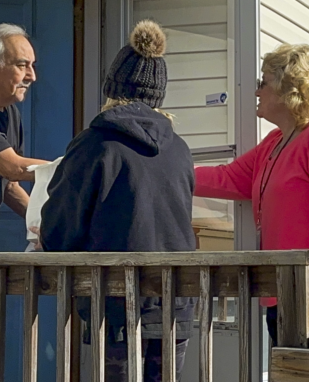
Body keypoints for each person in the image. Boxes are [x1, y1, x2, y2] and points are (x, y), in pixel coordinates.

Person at [37, 20, 195, 381]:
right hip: (176, 306)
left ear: (112, 88)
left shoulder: (96, 144)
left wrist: (49, 244)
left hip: (118, 305)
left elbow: (62, 225)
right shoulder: (180, 149)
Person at [194, 44, 309, 341]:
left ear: (289, 88)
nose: (256, 92)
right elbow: (229, 178)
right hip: (288, 286)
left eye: (263, 82)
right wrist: (172, 174)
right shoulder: (275, 142)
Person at [0, 23, 48, 231]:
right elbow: (14, 168)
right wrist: (72, 169)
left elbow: (9, 184)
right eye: (22, 66)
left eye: (32, 66)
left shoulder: (12, 114)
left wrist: (41, 223)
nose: (32, 76)